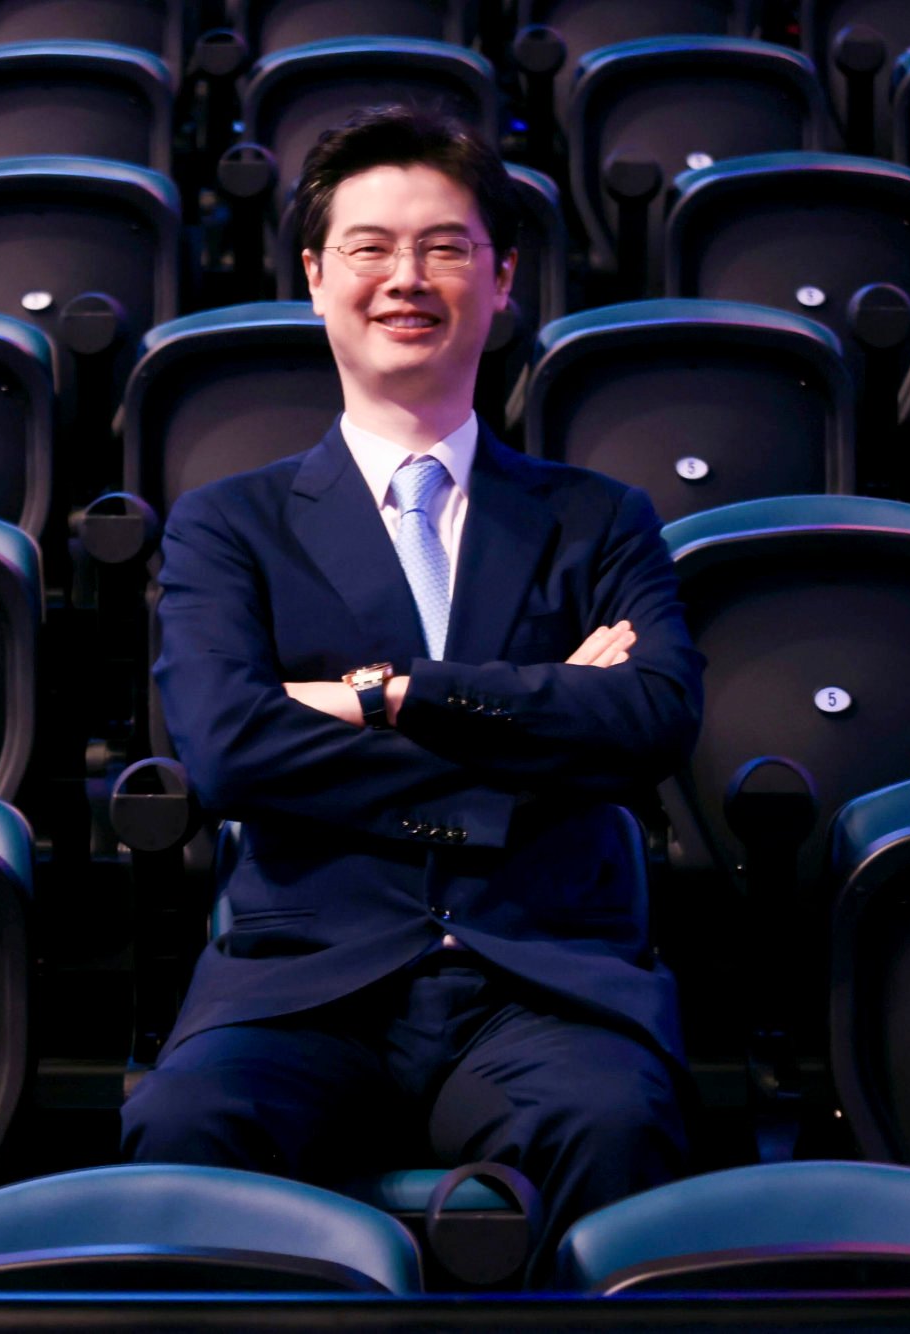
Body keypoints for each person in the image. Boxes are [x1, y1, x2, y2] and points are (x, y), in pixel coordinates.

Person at [120, 105, 704, 1281]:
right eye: (370, 247)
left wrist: (382, 695)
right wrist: (533, 721)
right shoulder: (226, 522)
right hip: (305, 978)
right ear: (314, 277)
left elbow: (647, 721)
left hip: (544, 977)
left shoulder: (599, 516)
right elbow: (232, 750)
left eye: (444, 247)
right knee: (181, 1128)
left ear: (499, 280)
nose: (407, 277)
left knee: (614, 1122)